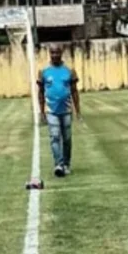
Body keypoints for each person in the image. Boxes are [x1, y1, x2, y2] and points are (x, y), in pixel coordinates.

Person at [37, 44, 81, 177]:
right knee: (55, 137)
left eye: (57, 53)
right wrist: (42, 112)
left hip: (66, 110)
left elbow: (74, 91)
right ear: (49, 53)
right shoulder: (43, 72)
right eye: (52, 53)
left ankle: (67, 164)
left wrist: (78, 111)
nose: (55, 55)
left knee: (67, 139)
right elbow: (41, 92)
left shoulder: (69, 71)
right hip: (51, 111)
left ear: (61, 53)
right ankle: (59, 164)